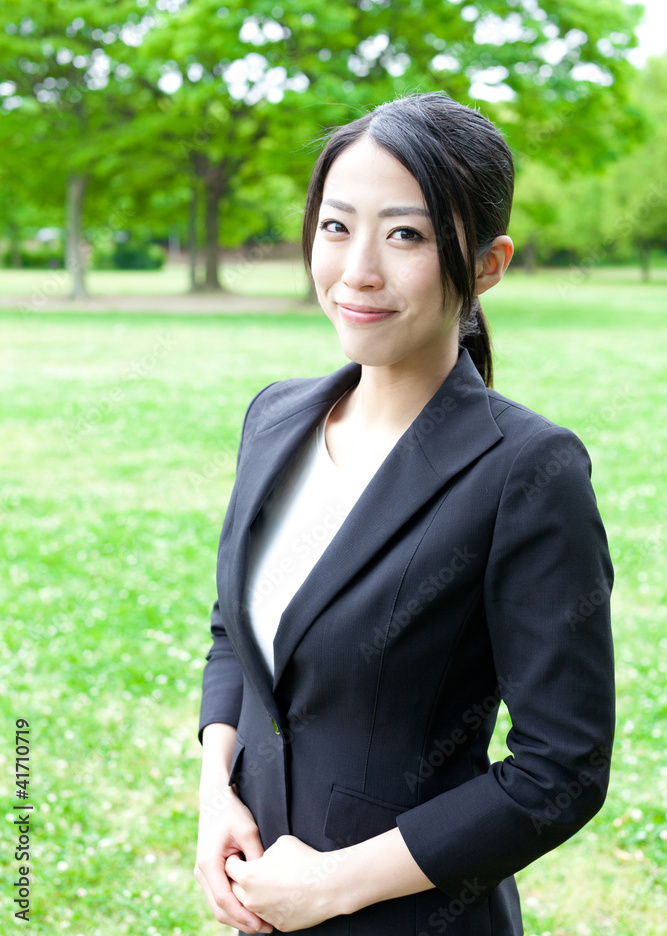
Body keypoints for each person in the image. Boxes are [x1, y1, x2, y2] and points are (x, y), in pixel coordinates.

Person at [194, 92, 615, 936]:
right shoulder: (275, 418)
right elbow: (231, 637)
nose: (357, 271)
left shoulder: (525, 470)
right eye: (336, 226)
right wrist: (216, 793)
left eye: (407, 235)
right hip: (261, 897)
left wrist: (334, 885)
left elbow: (558, 769)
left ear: (488, 263)